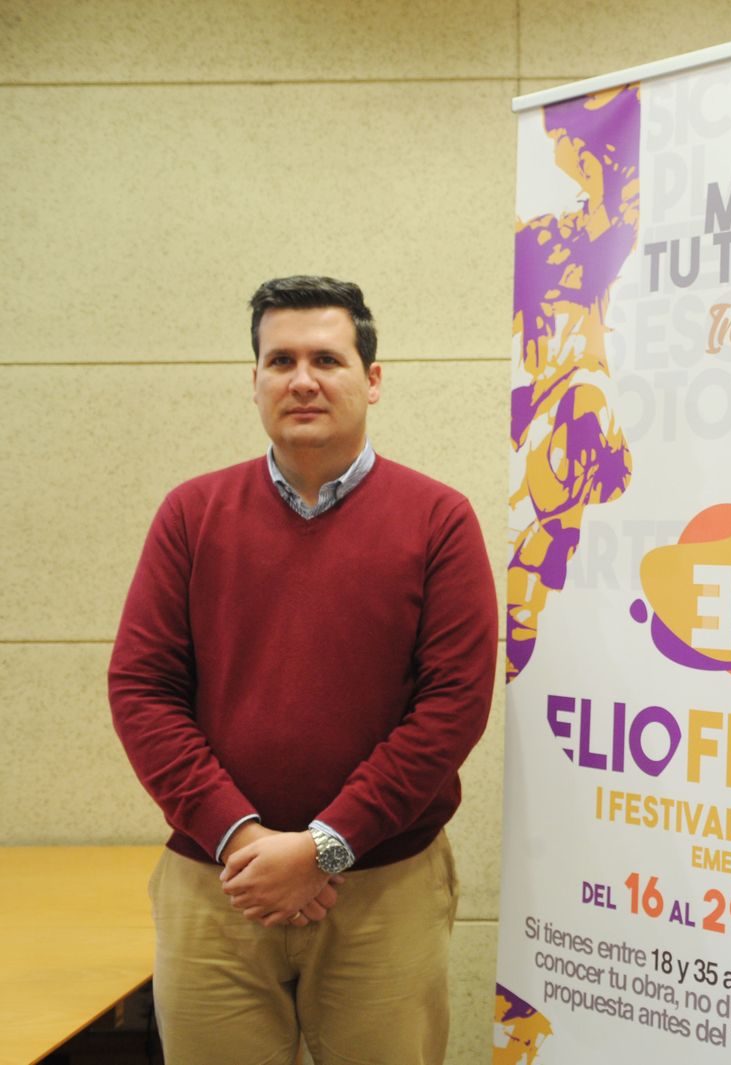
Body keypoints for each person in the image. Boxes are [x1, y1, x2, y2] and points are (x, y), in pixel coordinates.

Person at [108, 275, 498, 1065]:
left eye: (327, 357)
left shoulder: (439, 519)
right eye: (279, 360)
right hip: (221, 884)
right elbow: (141, 690)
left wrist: (326, 846)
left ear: (372, 379)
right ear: (253, 381)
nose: (303, 379)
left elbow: (452, 706)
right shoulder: (191, 515)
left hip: (384, 887)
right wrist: (244, 840)